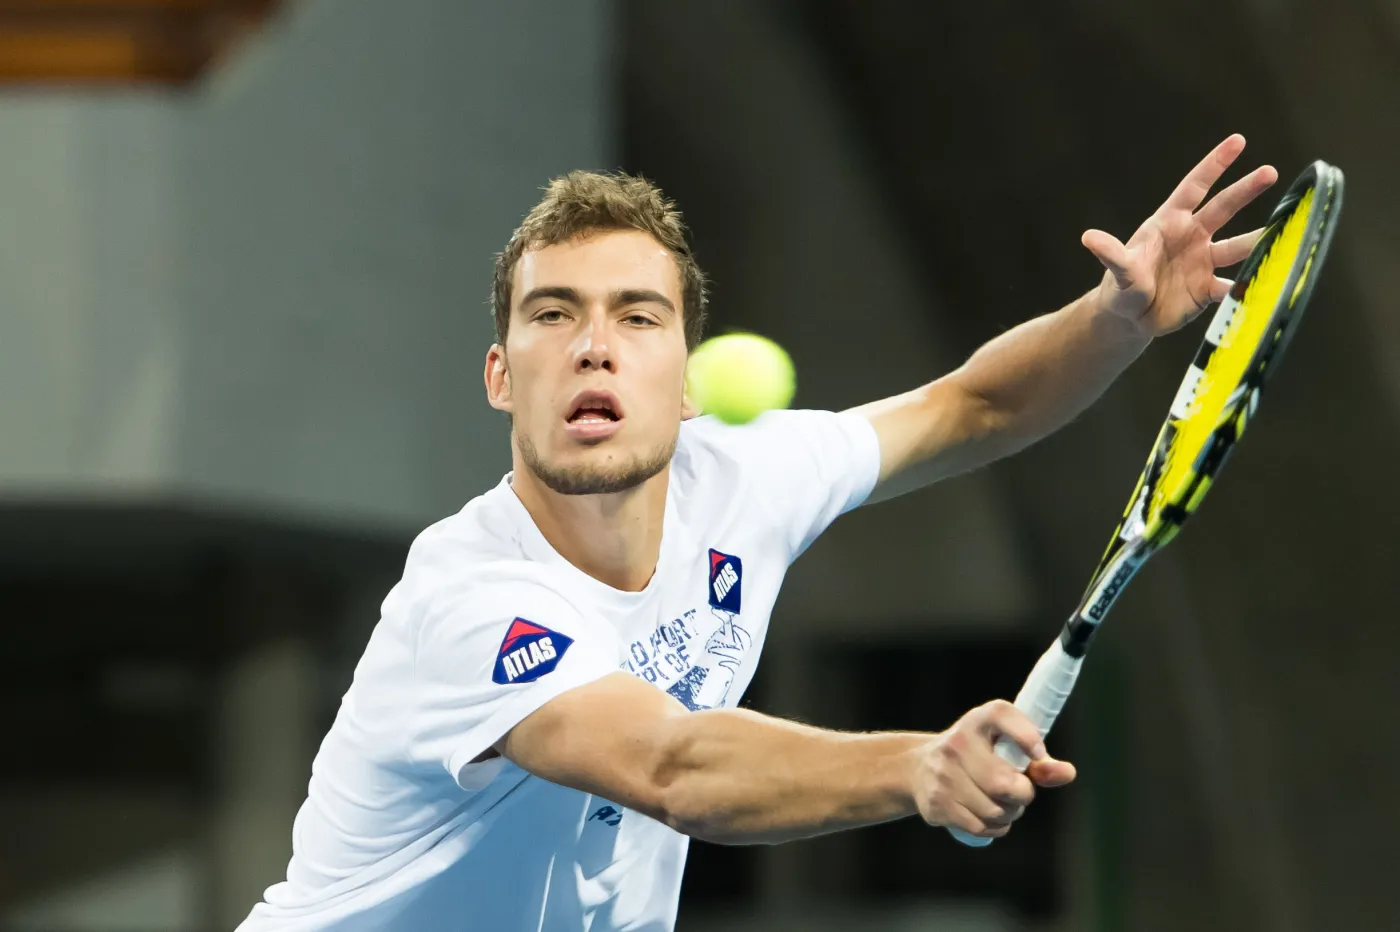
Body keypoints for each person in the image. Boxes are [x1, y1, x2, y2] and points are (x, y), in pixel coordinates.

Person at [238, 135, 1276, 931]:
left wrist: (1116, 320)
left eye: (636, 317)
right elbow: (671, 765)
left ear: (685, 382)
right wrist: (916, 764)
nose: (594, 346)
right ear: (500, 374)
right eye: (552, 314)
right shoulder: (465, 598)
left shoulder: (743, 478)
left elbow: (973, 407)